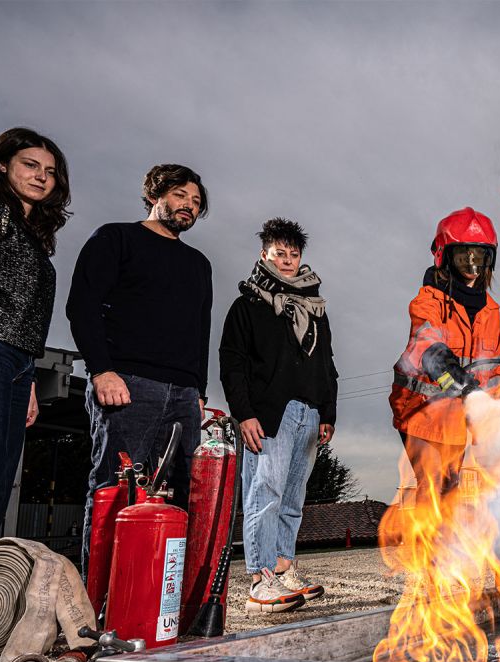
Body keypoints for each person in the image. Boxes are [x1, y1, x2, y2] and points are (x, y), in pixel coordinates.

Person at [66, 164, 212, 576]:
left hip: (183, 395)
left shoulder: (199, 264)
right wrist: (101, 371)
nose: (189, 206)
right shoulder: (116, 238)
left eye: (196, 202)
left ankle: (164, 605)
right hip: (127, 384)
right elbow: (83, 307)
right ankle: (98, 605)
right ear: (154, 195)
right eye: (181, 195)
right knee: (117, 490)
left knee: (182, 497)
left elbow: (201, 330)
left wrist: (198, 391)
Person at [0, 127, 71, 562]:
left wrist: (27, 380)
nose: (42, 176)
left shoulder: (33, 233)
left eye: (50, 171)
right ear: (2, 164)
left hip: (15, 363)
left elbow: (25, 314)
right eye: (30, 165)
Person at [220, 218, 337, 613]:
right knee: (264, 492)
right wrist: (244, 414)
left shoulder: (315, 309)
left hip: (309, 411)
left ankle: (285, 569)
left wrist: (328, 411)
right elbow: (232, 363)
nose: (287, 261)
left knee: (292, 498)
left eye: (293, 254)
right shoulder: (247, 306)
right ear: (264, 255)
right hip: (270, 414)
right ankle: (260, 580)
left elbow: (327, 364)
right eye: (279, 254)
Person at [388, 207, 500, 507]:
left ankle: (451, 551)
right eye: (463, 256)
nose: (471, 265)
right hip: (420, 411)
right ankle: (427, 552)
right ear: (445, 256)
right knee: (432, 483)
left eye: (478, 257)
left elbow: (497, 368)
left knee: (453, 492)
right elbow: (430, 351)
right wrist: (470, 392)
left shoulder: (490, 310)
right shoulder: (427, 302)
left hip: (457, 417)